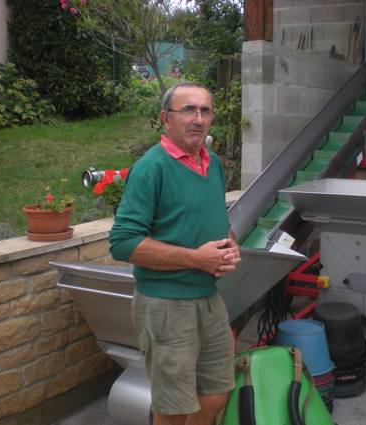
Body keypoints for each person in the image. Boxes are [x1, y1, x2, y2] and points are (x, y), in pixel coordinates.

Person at [109, 82, 241, 425]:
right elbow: (123, 243)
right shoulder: (152, 168)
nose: (198, 119)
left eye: (205, 110)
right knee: (174, 408)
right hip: (166, 306)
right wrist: (198, 259)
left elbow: (215, 220)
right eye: (188, 110)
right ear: (166, 119)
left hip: (209, 300)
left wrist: (229, 245)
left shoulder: (211, 165)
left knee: (215, 393)